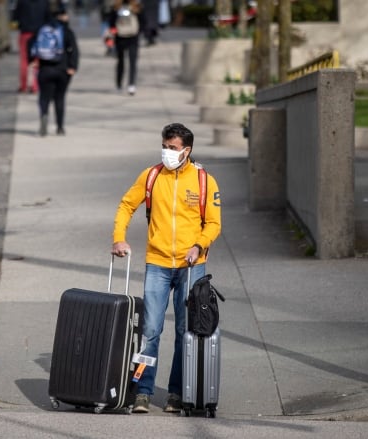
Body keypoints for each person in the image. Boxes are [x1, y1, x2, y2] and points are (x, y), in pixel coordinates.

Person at [111, 123, 222, 413]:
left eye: (172, 148)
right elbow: (126, 205)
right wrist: (118, 239)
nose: (166, 152)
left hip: (191, 267)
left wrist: (199, 244)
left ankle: (176, 393)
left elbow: (213, 223)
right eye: (164, 146)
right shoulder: (150, 177)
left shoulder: (204, 181)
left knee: (186, 331)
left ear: (187, 150)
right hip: (158, 263)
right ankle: (142, 392)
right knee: (149, 329)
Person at [27, 3, 79, 136]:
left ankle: (44, 116)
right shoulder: (66, 31)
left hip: (45, 69)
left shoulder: (41, 29)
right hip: (62, 70)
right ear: (63, 16)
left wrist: (32, 61)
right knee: (60, 98)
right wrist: (72, 67)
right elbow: (74, 50)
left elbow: (30, 44)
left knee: (44, 97)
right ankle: (60, 127)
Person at [12, 0, 50, 93]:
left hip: (25, 33)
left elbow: (15, 17)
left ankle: (24, 85)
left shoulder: (21, 2)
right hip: (39, 34)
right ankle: (35, 86)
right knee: (37, 60)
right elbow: (48, 18)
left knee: (24, 60)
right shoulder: (44, 2)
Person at [107, 0, 143, 95]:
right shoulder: (118, 7)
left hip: (129, 37)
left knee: (126, 62)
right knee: (125, 62)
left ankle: (128, 84)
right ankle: (126, 85)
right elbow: (112, 22)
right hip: (124, 38)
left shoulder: (134, 6)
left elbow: (111, 22)